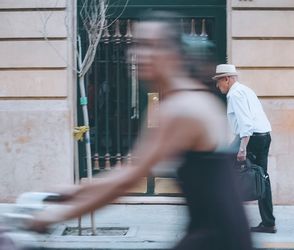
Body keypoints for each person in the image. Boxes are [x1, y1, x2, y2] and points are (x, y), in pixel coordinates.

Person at [28, 13, 253, 250]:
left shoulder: (182, 109)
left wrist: (52, 216)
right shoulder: (177, 101)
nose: (139, 55)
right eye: (138, 45)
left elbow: (127, 180)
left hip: (219, 237)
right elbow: (128, 170)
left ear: (173, 54)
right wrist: (74, 191)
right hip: (211, 232)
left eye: (151, 46)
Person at [213, 64, 276, 234]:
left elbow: (246, 122)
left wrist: (242, 148)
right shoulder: (246, 90)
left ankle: (227, 220)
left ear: (227, 79)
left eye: (219, 81)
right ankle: (268, 223)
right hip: (263, 136)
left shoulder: (235, 94)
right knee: (262, 179)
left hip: (250, 138)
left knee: (224, 171)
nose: (217, 86)